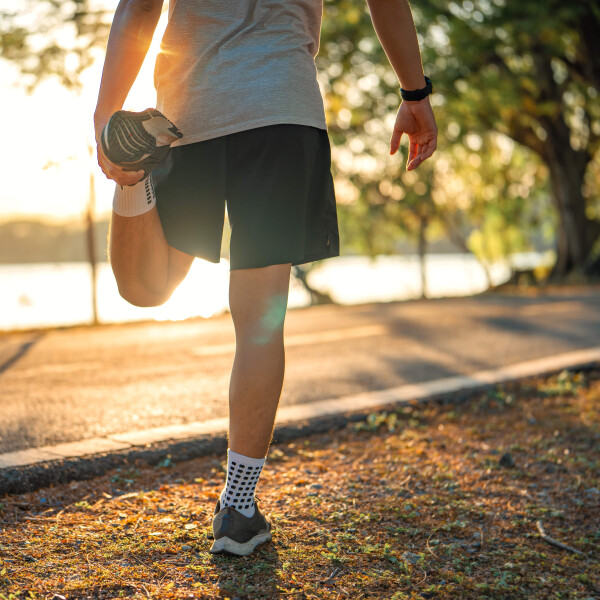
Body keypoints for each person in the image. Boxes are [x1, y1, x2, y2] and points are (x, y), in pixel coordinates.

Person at [93, 0, 437, 557]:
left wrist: (107, 119)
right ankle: (238, 508)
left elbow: (139, 7)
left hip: (191, 107)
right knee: (258, 320)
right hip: (282, 109)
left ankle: (133, 176)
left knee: (146, 286)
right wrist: (414, 94)